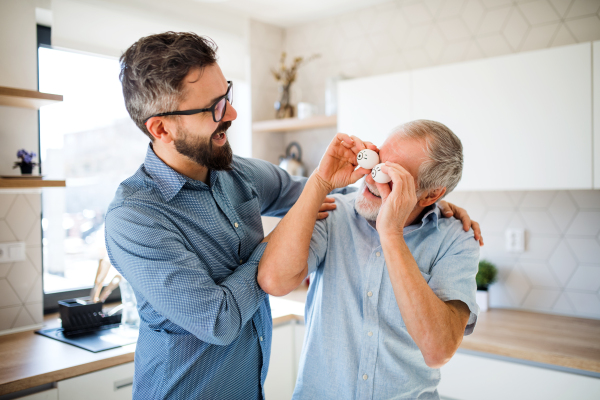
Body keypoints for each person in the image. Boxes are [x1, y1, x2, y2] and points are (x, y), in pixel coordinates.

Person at [105, 31, 481, 399]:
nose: (233, 113)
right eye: (215, 107)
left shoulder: (240, 176)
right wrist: (285, 232)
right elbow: (219, 320)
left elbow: (323, 191)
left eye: (228, 95)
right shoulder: (135, 217)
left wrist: (422, 203)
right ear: (161, 128)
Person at [258, 120, 481, 400]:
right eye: (379, 162)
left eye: (392, 175)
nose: (373, 179)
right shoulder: (334, 212)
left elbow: (438, 350)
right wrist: (320, 182)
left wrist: (391, 233)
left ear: (432, 194)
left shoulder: (457, 239)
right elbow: (273, 280)